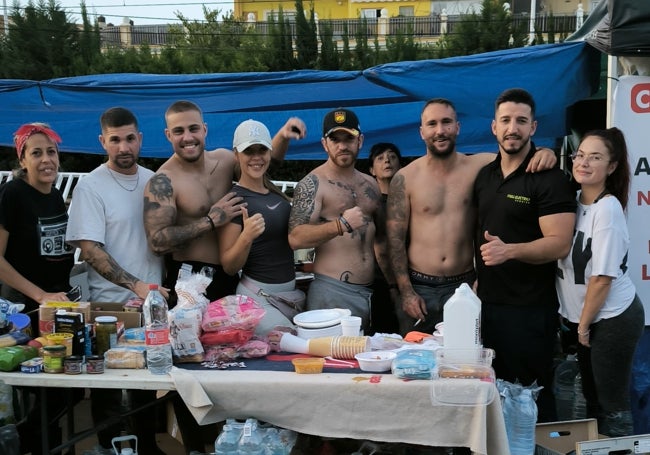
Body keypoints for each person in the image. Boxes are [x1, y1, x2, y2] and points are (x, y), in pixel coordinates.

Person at [143, 101, 304, 454]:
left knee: (234, 360)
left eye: (193, 129)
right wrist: (209, 221)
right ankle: (196, 446)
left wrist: (283, 134)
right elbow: (157, 241)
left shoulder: (223, 161)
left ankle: (235, 442)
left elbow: (260, 159)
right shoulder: (163, 180)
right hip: (188, 283)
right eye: (179, 131)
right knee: (193, 367)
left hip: (227, 280)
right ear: (168, 135)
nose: (188, 137)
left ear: (205, 129)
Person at [387, 98, 557, 336]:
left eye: (446, 122)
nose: (440, 130)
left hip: (464, 286)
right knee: (417, 365)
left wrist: (544, 152)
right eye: (432, 124)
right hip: (420, 289)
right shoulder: (405, 178)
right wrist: (406, 292)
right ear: (421, 131)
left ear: (457, 127)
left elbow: (516, 153)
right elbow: (394, 242)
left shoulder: (481, 166)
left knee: (464, 363)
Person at [66, 107, 166, 455]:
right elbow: (90, 250)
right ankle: (110, 449)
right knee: (108, 388)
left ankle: (148, 448)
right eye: (114, 140)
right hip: (109, 310)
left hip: (153, 309)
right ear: (102, 142)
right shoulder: (91, 186)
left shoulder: (155, 180)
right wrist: (138, 286)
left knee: (147, 388)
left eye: (129, 139)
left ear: (140, 139)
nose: (123, 147)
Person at [473, 88, 576, 422]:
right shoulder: (485, 176)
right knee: (490, 397)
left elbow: (560, 243)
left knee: (528, 401)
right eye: (505, 120)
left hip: (530, 310)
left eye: (521, 121)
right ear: (493, 127)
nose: (512, 128)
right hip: (486, 308)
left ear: (533, 127)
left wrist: (509, 251)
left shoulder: (550, 178)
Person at [556, 127, 644, 436]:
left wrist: (582, 326)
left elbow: (602, 277)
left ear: (612, 166)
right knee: (592, 400)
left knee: (612, 404)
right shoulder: (573, 199)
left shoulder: (607, 209)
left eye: (595, 157)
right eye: (580, 155)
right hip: (587, 319)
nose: (584, 163)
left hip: (611, 317)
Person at [0, 123, 75, 454]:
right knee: (43, 389)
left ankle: (47, 445)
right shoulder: (13, 194)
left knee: (63, 390)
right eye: (36, 153)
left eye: (51, 152)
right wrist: (40, 295)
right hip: (24, 311)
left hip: (57, 306)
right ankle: (32, 445)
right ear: (23, 159)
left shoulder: (55, 192)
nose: (46, 160)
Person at [288, 108, 392, 331]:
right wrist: (340, 225)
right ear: (325, 144)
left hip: (371, 293)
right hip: (332, 293)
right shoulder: (313, 183)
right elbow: (295, 238)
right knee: (332, 364)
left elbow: (381, 241)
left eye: (349, 138)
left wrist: (393, 286)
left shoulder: (370, 185)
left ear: (360, 140)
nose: (342, 145)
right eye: (335, 139)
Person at [217, 119, 296, 335]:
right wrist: (246, 236)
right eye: (248, 151)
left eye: (262, 149)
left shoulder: (275, 194)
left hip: (290, 297)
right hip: (258, 298)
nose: (256, 157)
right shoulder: (235, 200)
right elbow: (229, 266)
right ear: (236, 154)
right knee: (292, 348)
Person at [366, 142, 402, 335]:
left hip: (411, 279)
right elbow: (378, 244)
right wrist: (393, 285)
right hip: (379, 282)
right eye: (380, 158)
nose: (387, 160)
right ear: (372, 170)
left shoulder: (409, 200)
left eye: (392, 156)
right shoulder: (370, 202)